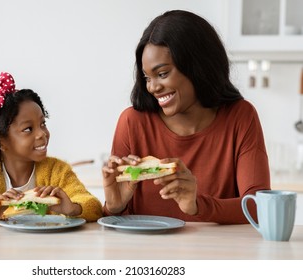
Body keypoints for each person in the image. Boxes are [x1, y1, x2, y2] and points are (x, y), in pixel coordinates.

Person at [102, 10, 270, 224]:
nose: (153, 87)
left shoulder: (240, 116)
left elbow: (259, 206)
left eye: (162, 74)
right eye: (147, 77)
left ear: (198, 66)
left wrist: (198, 205)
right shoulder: (132, 122)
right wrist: (114, 207)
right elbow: (116, 227)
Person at [0, 72, 102, 225]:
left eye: (42, 124)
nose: (42, 134)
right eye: (28, 129)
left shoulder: (57, 171)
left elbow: (93, 206)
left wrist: (71, 208)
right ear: (1, 141)